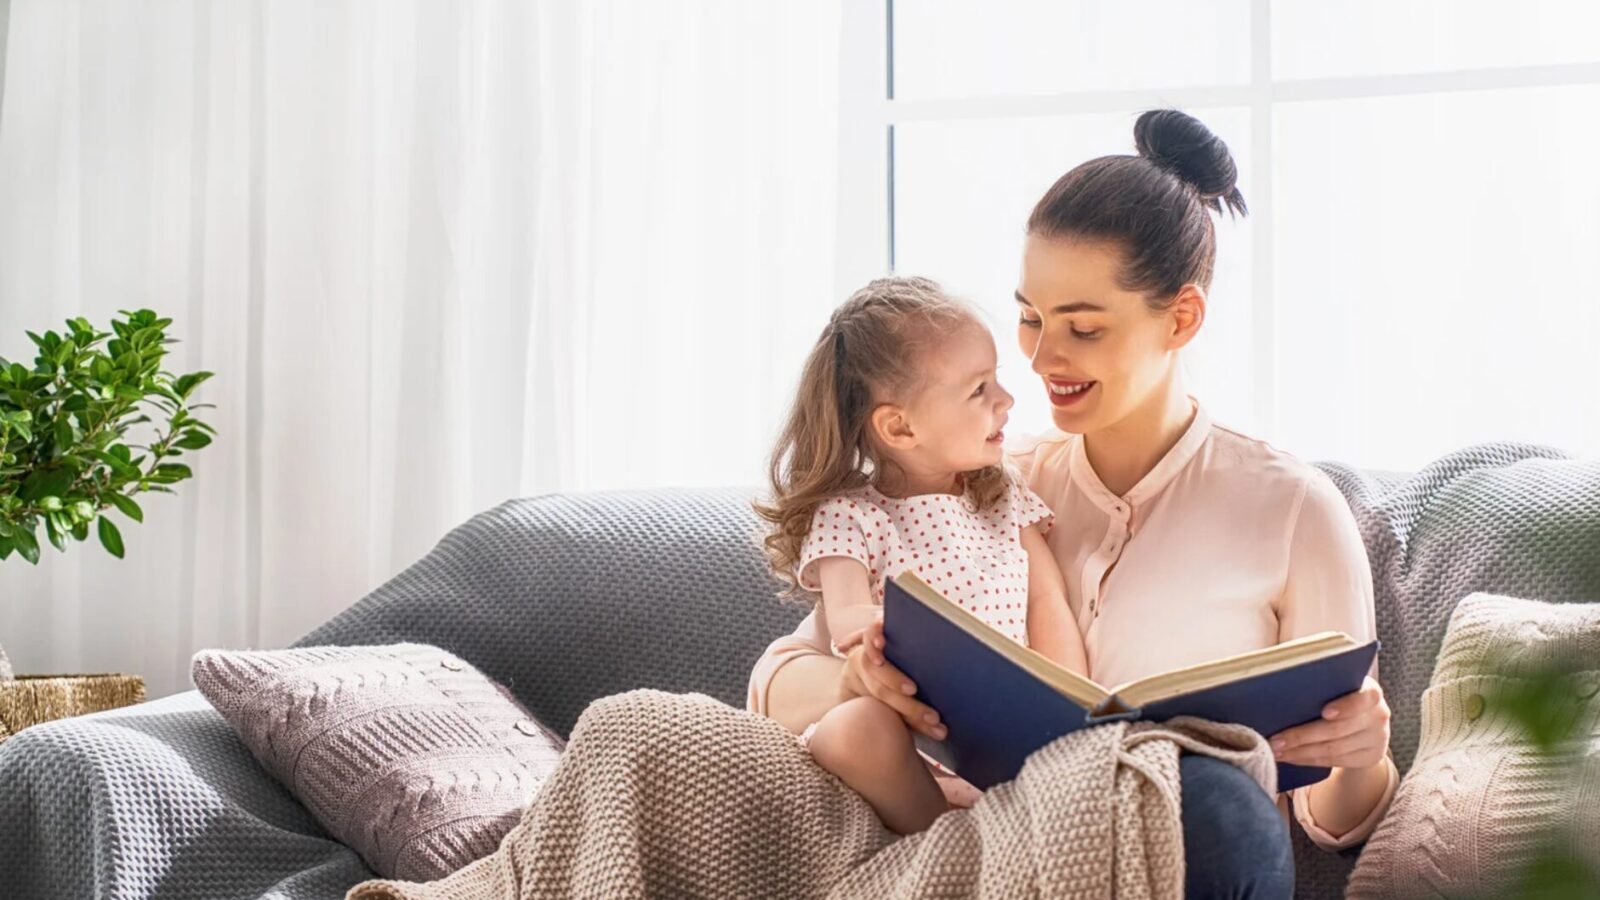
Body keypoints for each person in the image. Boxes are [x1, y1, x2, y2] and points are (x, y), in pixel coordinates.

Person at [747, 109, 1398, 898]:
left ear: (1181, 318)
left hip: (1183, 858)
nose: (1042, 358)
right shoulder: (978, 484)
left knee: (1216, 802)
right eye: (1029, 317)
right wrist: (860, 683)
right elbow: (779, 679)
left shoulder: (1294, 512)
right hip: (989, 851)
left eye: (1083, 329)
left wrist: (1361, 758)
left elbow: (1332, 821)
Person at [752, 276, 1089, 834]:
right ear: (900, 426)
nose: (1005, 399)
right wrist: (892, 643)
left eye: (997, 380)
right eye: (979, 389)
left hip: (1000, 740)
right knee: (854, 728)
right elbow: (849, 620)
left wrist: (1072, 708)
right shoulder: (853, 515)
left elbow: (1046, 597)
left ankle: (974, 838)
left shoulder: (1003, 498)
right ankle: (951, 856)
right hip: (906, 735)